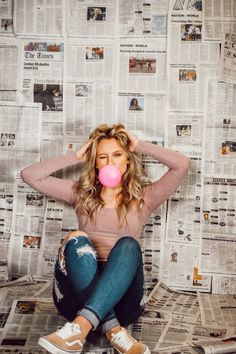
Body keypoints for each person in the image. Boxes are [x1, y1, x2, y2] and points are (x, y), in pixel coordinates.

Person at [21, 124, 190, 354]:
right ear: (95, 162)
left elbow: (181, 165)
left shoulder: (144, 198)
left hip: (125, 302)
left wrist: (139, 144)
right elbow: (30, 176)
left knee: (129, 245)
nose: (110, 162)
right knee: (76, 239)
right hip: (76, 297)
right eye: (103, 156)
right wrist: (76, 155)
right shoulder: (80, 193)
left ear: (128, 159)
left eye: (118, 154)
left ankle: (80, 329)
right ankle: (113, 331)